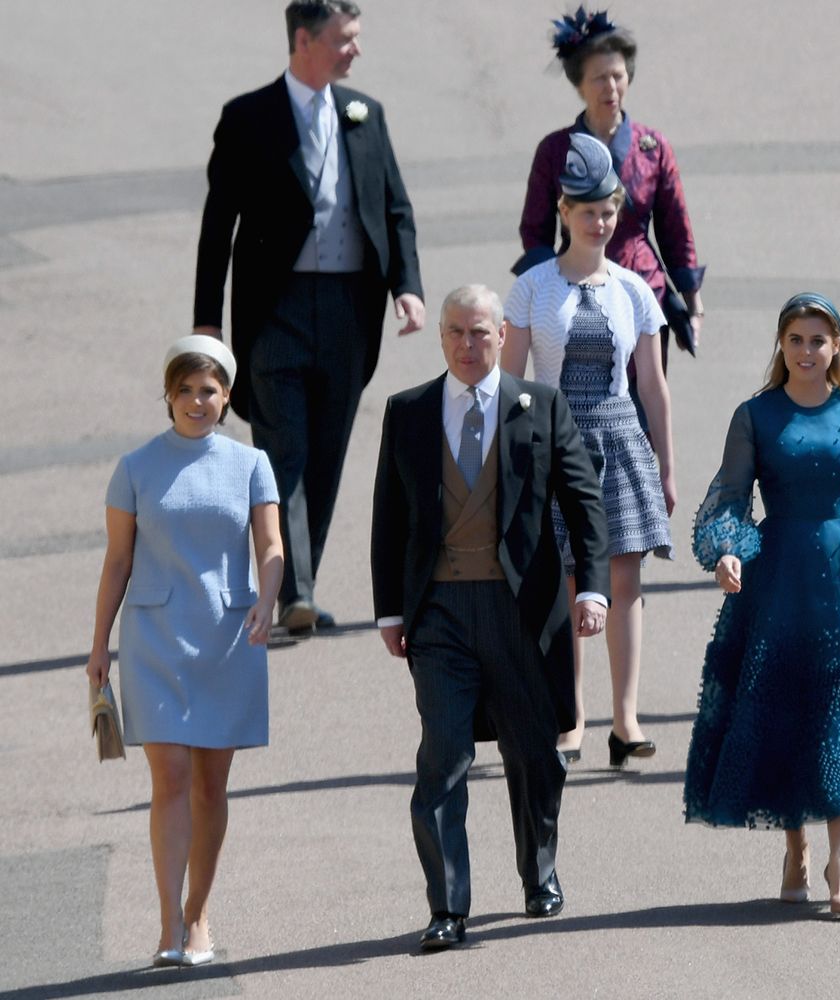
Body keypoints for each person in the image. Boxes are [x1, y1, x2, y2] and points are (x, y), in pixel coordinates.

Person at [371, 285, 610, 951]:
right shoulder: (410, 411)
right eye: (455, 333)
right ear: (440, 336)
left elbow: (585, 505)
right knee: (442, 757)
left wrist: (591, 590)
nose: (467, 346)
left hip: (523, 614)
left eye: (480, 333)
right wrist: (390, 609)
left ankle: (539, 871)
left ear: (502, 336)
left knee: (535, 755)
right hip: (440, 615)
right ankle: (447, 907)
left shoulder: (541, 407)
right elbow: (389, 518)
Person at [684, 294, 840, 919]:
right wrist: (727, 552)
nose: (808, 351)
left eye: (819, 340)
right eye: (796, 339)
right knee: (791, 716)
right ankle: (795, 850)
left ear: (837, 345)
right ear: (781, 345)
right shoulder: (755, 415)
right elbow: (730, 497)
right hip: (779, 583)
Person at [193, 0, 424, 634]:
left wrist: (407, 286)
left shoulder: (364, 115)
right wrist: (207, 322)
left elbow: (394, 208)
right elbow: (219, 224)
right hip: (277, 311)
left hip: (351, 308)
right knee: (283, 451)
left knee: (326, 452)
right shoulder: (248, 118)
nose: (356, 50)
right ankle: (292, 590)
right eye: (345, 39)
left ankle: (300, 583)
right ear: (304, 40)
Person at [86, 335, 283, 967]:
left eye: (208, 390)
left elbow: (272, 546)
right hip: (153, 640)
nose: (196, 401)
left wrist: (268, 596)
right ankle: (170, 923)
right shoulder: (136, 467)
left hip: (227, 637)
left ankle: (200, 914)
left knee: (210, 783)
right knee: (168, 776)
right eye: (184, 390)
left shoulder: (251, 463)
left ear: (226, 398)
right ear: (167, 396)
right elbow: (116, 562)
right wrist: (98, 651)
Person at [504, 133, 674, 767]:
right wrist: (513, 466)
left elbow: (653, 388)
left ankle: (625, 719)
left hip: (621, 441)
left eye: (608, 210)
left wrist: (666, 466)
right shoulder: (532, 287)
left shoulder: (634, 289)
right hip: (554, 444)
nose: (599, 222)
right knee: (570, 582)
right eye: (586, 211)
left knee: (625, 582)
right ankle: (570, 715)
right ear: (563, 214)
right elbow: (513, 387)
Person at [517, 6, 705, 364]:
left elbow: (676, 230)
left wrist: (693, 303)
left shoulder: (653, 146)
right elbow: (535, 232)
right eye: (599, 78)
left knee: (644, 399)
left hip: (643, 287)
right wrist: (542, 293)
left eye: (618, 76)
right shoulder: (555, 150)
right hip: (574, 290)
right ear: (579, 85)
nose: (611, 87)